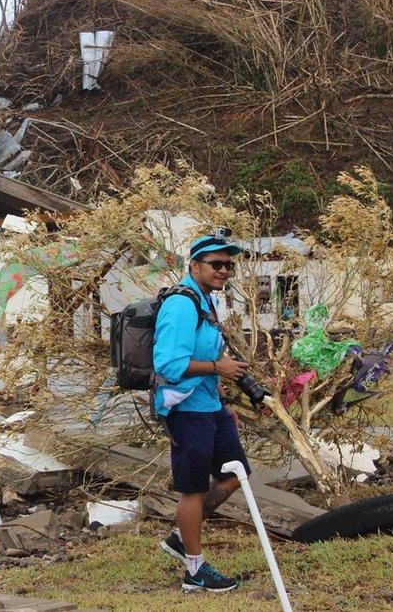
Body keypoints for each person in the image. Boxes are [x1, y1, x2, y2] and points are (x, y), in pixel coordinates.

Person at [153, 233, 252, 593]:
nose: (224, 270)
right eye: (216, 264)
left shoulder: (206, 302)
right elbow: (169, 363)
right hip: (186, 409)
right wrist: (218, 368)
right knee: (192, 489)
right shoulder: (181, 304)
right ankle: (195, 571)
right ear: (194, 265)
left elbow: (211, 361)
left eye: (229, 264)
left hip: (210, 405)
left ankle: (182, 537)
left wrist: (224, 401)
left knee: (235, 473)